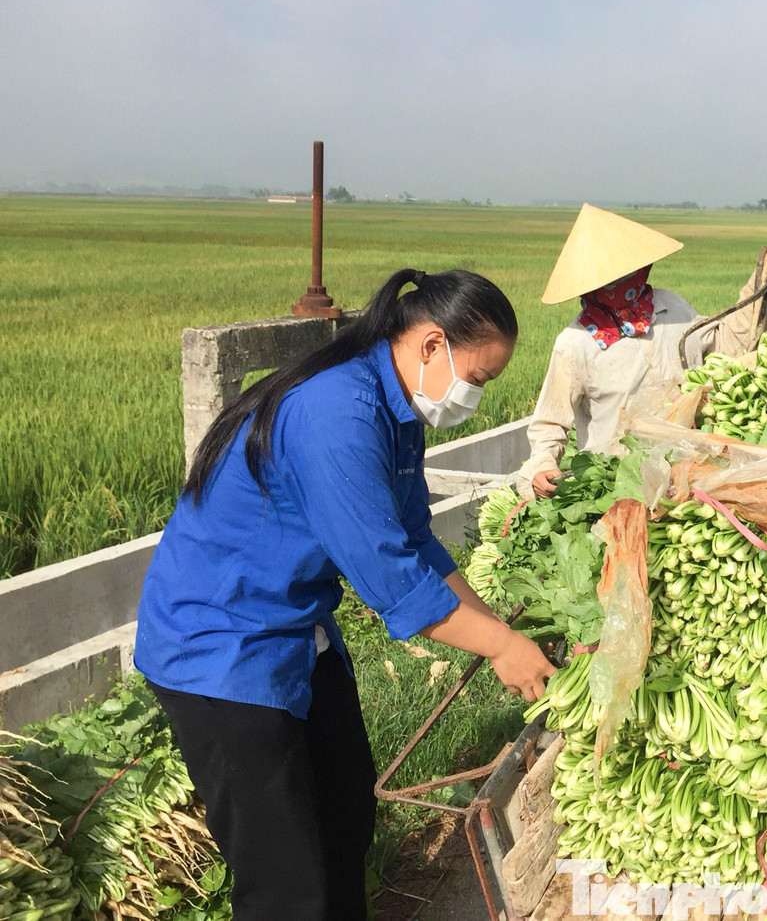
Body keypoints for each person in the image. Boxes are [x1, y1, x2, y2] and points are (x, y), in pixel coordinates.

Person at [135, 268, 556, 921]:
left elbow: (417, 540)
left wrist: (495, 628)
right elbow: (391, 580)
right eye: (478, 378)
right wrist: (501, 645)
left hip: (296, 629)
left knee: (347, 816)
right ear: (431, 345)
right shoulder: (336, 414)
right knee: (286, 878)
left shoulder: (398, 410)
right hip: (220, 647)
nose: (475, 394)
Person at [518, 204, 767, 499]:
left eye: (625, 272)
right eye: (609, 278)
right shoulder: (576, 343)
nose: (620, 283)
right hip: (617, 489)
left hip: (689, 476)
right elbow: (549, 425)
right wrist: (540, 468)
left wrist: (761, 283)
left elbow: (726, 347)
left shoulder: (672, 309)